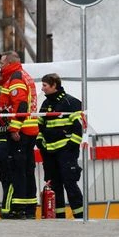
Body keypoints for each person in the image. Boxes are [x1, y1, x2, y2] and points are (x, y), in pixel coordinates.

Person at [0, 50, 38, 219]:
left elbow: (20, 104)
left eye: (1, 63)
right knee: (27, 170)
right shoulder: (19, 75)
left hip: (21, 131)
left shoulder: (16, 77)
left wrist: (14, 128)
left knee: (18, 170)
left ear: (9, 63)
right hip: (29, 129)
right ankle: (29, 208)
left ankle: (19, 209)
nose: (0, 65)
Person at [36, 73, 84, 219]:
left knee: (70, 183)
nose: (42, 89)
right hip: (50, 153)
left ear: (54, 85)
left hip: (66, 153)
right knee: (55, 185)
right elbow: (40, 127)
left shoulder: (71, 102)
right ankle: (59, 218)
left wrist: (70, 146)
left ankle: (81, 217)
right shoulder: (45, 104)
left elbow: (79, 127)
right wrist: (40, 143)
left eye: (44, 85)